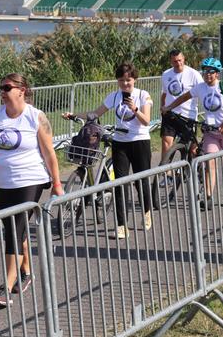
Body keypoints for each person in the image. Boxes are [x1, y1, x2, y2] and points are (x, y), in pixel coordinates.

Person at [0, 73, 64, 307]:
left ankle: (7, 286)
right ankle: (26, 271)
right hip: (1, 183)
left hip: (30, 180)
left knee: (14, 229)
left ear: (22, 90)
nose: (2, 91)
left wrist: (57, 183)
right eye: (0, 87)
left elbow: (49, 152)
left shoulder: (35, 116)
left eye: (7, 87)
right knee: (14, 230)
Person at [62, 62, 154, 240]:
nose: (125, 84)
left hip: (140, 141)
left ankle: (147, 210)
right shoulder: (114, 96)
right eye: (121, 80)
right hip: (120, 142)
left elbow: (146, 121)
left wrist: (134, 108)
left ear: (134, 79)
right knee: (119, 183)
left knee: (141, 180)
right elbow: (95, 113)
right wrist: (74, 115)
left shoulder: (143, 95)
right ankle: (121, 226)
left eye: (128, 80)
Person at [161, 57, 223, 210]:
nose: (207, 75)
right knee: (208, 161)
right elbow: (184, 97)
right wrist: (169, 107)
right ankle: (208, 196)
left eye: (211, 72)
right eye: (205, 71)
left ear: (217, 74)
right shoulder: (200, 87)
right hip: (211, 132)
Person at [160, 49, 202, 160]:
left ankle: (192, 169)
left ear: (184, 59)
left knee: (191, 149)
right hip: (170, 114)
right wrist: (162, 107)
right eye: (174, 61)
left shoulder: (194, 74)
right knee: (166, 142)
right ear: (170, 62)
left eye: (180, 60)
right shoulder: (166, 74)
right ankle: (166, 172)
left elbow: (203, 92)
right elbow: (164, 93)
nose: (178, 63)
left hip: (187, 116)